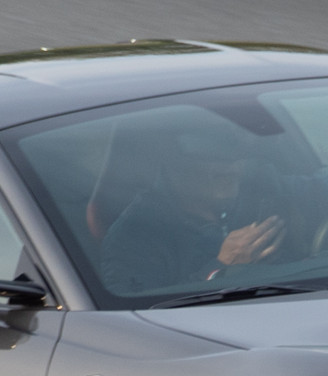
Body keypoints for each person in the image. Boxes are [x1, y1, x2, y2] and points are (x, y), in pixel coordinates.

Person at [99, 122, 302, 295]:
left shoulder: (263, 187)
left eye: (239, 152)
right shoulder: (133, 237)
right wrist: (221, 270)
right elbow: (140, 322)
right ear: (171, 159)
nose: (233, 164)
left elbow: (323, 189)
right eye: (214, 152)